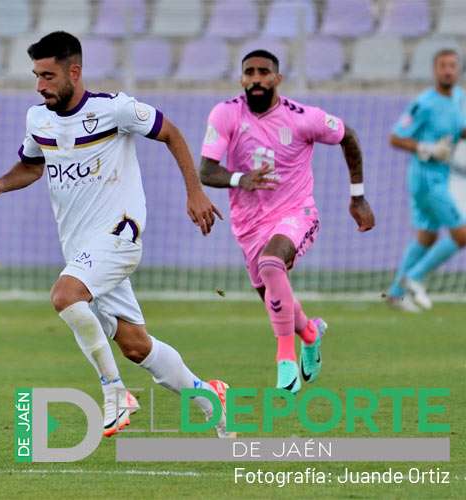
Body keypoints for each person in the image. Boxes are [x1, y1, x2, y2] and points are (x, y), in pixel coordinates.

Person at [0, 31, 233, 438]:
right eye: (36, 76)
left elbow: (172, 133)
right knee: (135, 346)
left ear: (73, 72)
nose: (40, 85)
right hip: (82, 251)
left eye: (47, 76)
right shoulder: (38, 119)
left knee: (64, 296)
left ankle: (115, 393)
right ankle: (212, 399)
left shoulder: (115, 110)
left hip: (119, 236)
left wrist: (195, 191)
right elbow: (31, 165)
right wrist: (0, 184)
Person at [199, 49, 375, 393]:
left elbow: (348, 135)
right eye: (249, 72)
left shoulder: (302, 118)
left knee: (271, 262)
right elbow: (206, 170)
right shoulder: (226, 114)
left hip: (297, 214)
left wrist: (358, 196)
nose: (256, 78)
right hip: (248, 225)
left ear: (277, 78)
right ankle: (310, 333)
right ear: (241, 79)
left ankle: (285, 358)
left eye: (264, 72)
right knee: (272, 293)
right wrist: (240, 179)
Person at [387, 48, 466, 312]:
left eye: (452, 66)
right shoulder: (424, 103)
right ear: (434, 70)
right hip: (425, 177)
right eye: (443, 65)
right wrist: (427, 148)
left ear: (458, 70)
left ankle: (396, 294)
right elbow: (396, 137)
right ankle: (415, 278)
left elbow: (460, 130)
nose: (448, 70)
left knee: (427, 237)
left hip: (441, 176)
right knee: (462, 233)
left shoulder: (458, 97)